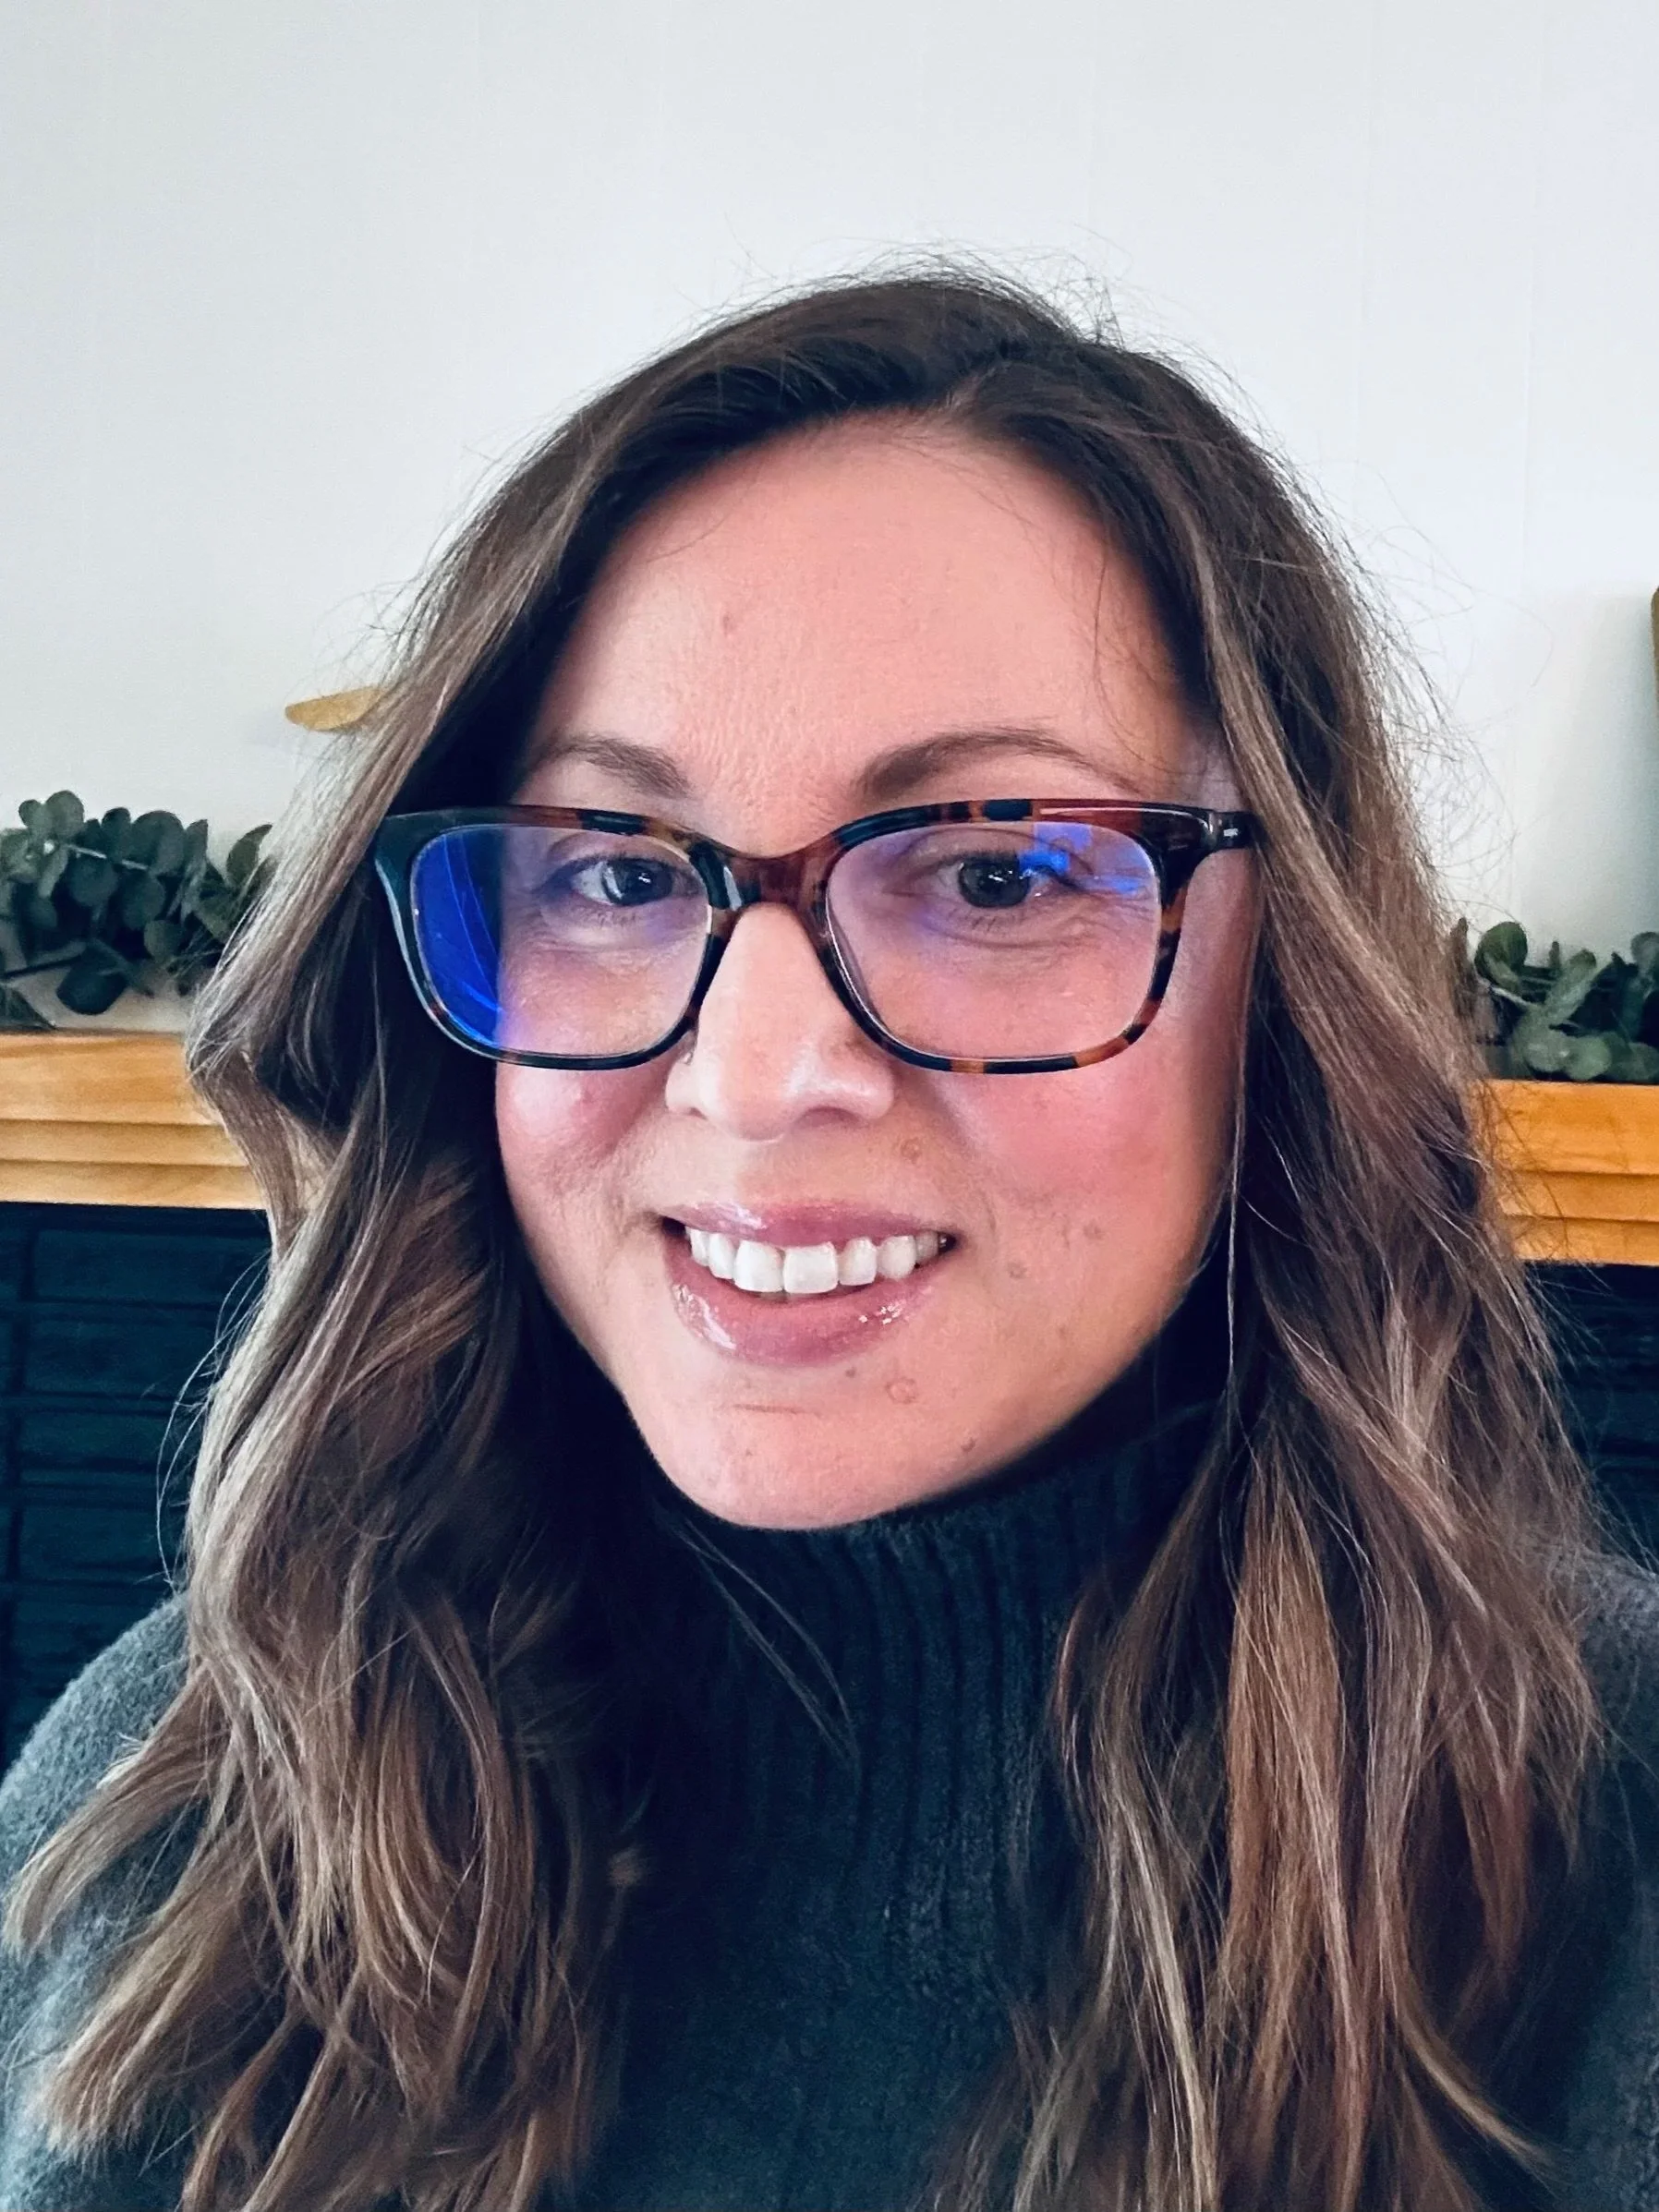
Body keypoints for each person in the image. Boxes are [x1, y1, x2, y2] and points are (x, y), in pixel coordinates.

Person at [1, 269, 1657, 2212]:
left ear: (1285, 984)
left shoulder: (1609, 1846)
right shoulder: (190, 1777)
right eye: (615, 868)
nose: (760, 1070)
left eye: (994, 867)